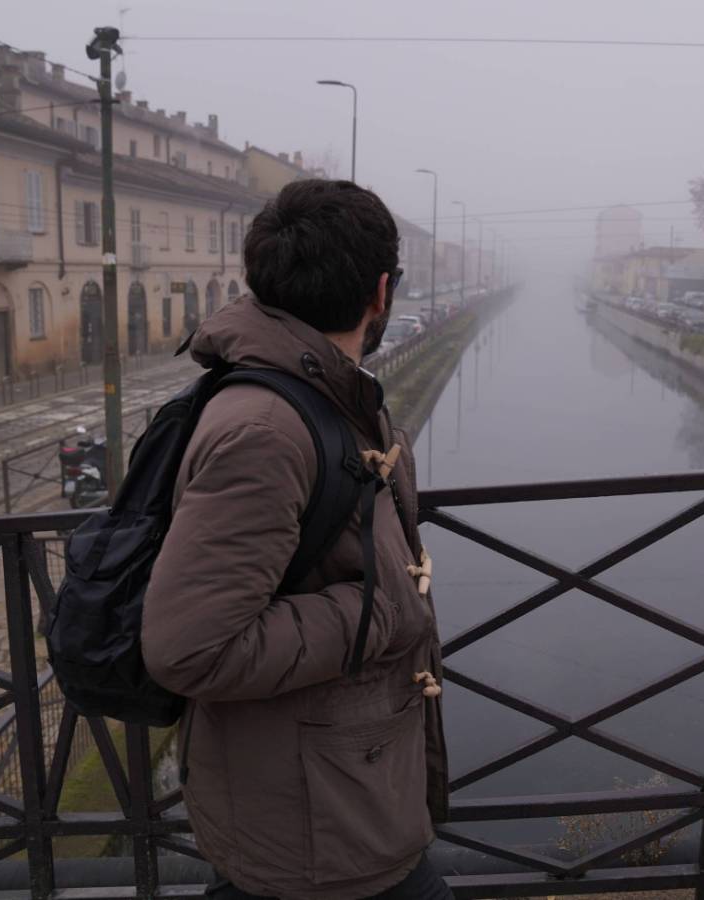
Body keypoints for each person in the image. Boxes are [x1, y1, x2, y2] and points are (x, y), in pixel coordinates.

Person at [142, 179, 450, 900]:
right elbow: (191, 647)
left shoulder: (316, 394)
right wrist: (383, 609)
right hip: (314, 832)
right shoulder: (268, 429)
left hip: (333, 795)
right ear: (382, 293)